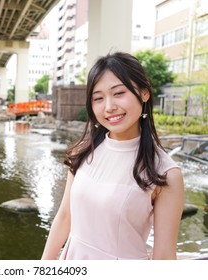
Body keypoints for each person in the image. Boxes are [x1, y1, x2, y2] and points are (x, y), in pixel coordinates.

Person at [41, 52, 184, 260]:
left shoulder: (165, 173)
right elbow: (64, 217)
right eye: (98, 98)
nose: (109, 107)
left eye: (118, 93)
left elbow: (164, 256)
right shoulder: (83, 151)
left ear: (144, 93)